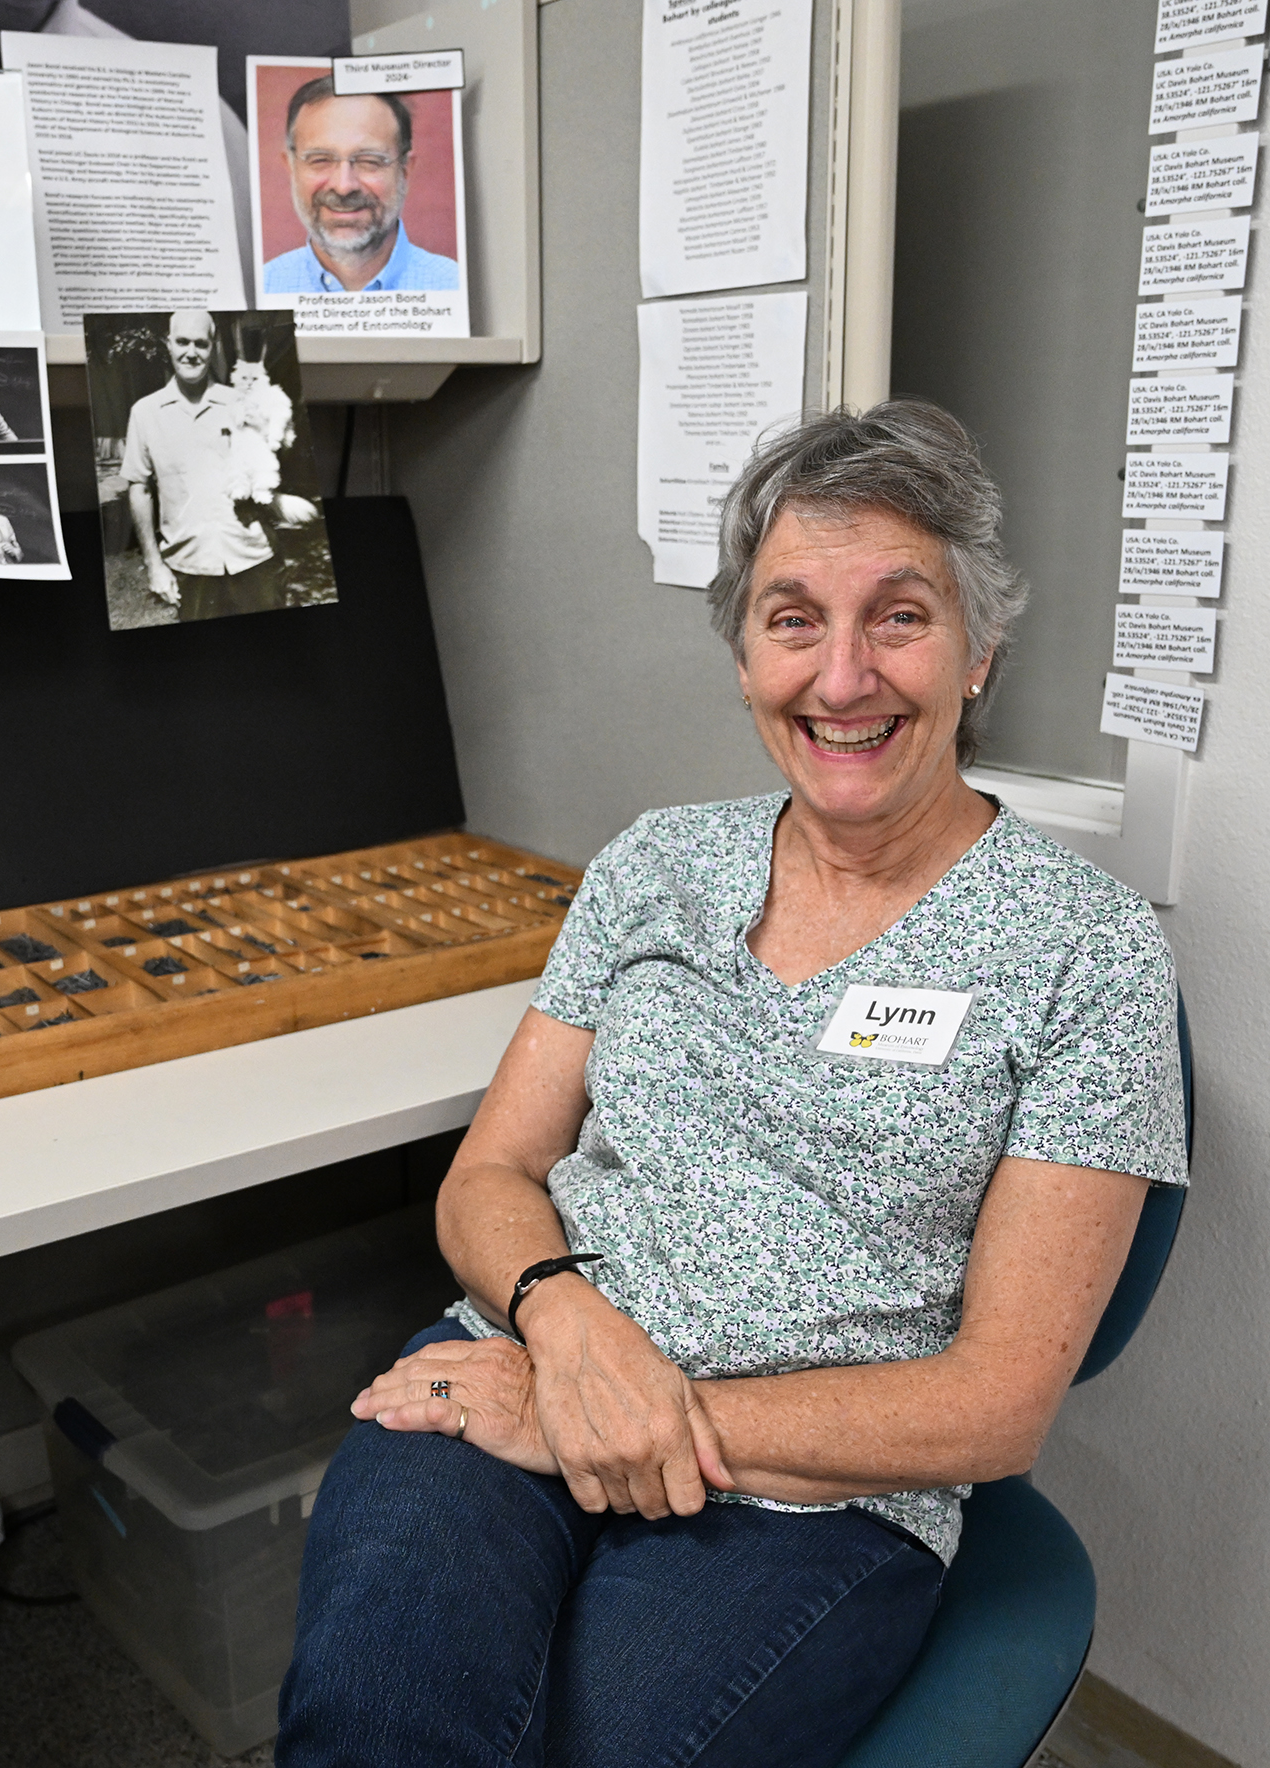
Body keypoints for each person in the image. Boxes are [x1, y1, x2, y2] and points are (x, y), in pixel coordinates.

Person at [276, 402, 1188, 1767]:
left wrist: (628, 1420)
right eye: (792, 619)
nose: (843, 677)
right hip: (535, 1348)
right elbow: (492, 1175)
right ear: (743, 656)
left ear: (981, 649)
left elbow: (998, 1404)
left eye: (900, 614)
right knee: (378, 1718)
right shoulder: (655, 865)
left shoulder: (1089, 955)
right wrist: (564, 1329)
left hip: (820, 1487)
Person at [119, 310, 318, 621]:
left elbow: (277, 454)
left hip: (254, 558)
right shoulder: (145, 413)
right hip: (190, 567)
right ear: (168, 344)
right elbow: (138, 489)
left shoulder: (240, 401)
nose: (191, 352)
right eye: (182, 342)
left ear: (212, 347)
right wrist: (154, 565)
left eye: (201, 343)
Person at [262, 76, 461, 296]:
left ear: (405, 170)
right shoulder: (263, 289)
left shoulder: (454, 287)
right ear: (291, 167)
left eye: (369, 161)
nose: (344, 186)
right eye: (320, 160)